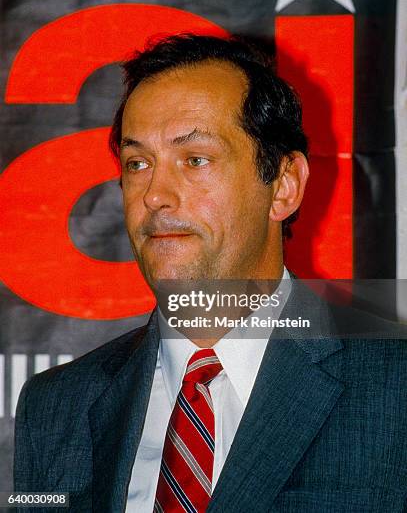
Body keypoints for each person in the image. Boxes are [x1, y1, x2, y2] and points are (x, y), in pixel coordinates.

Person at [14, 34, 407, 513]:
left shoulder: (394, 385)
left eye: (195, 159)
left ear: (283, 187)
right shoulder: (57, 408)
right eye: (138, 163)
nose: (155, 194)